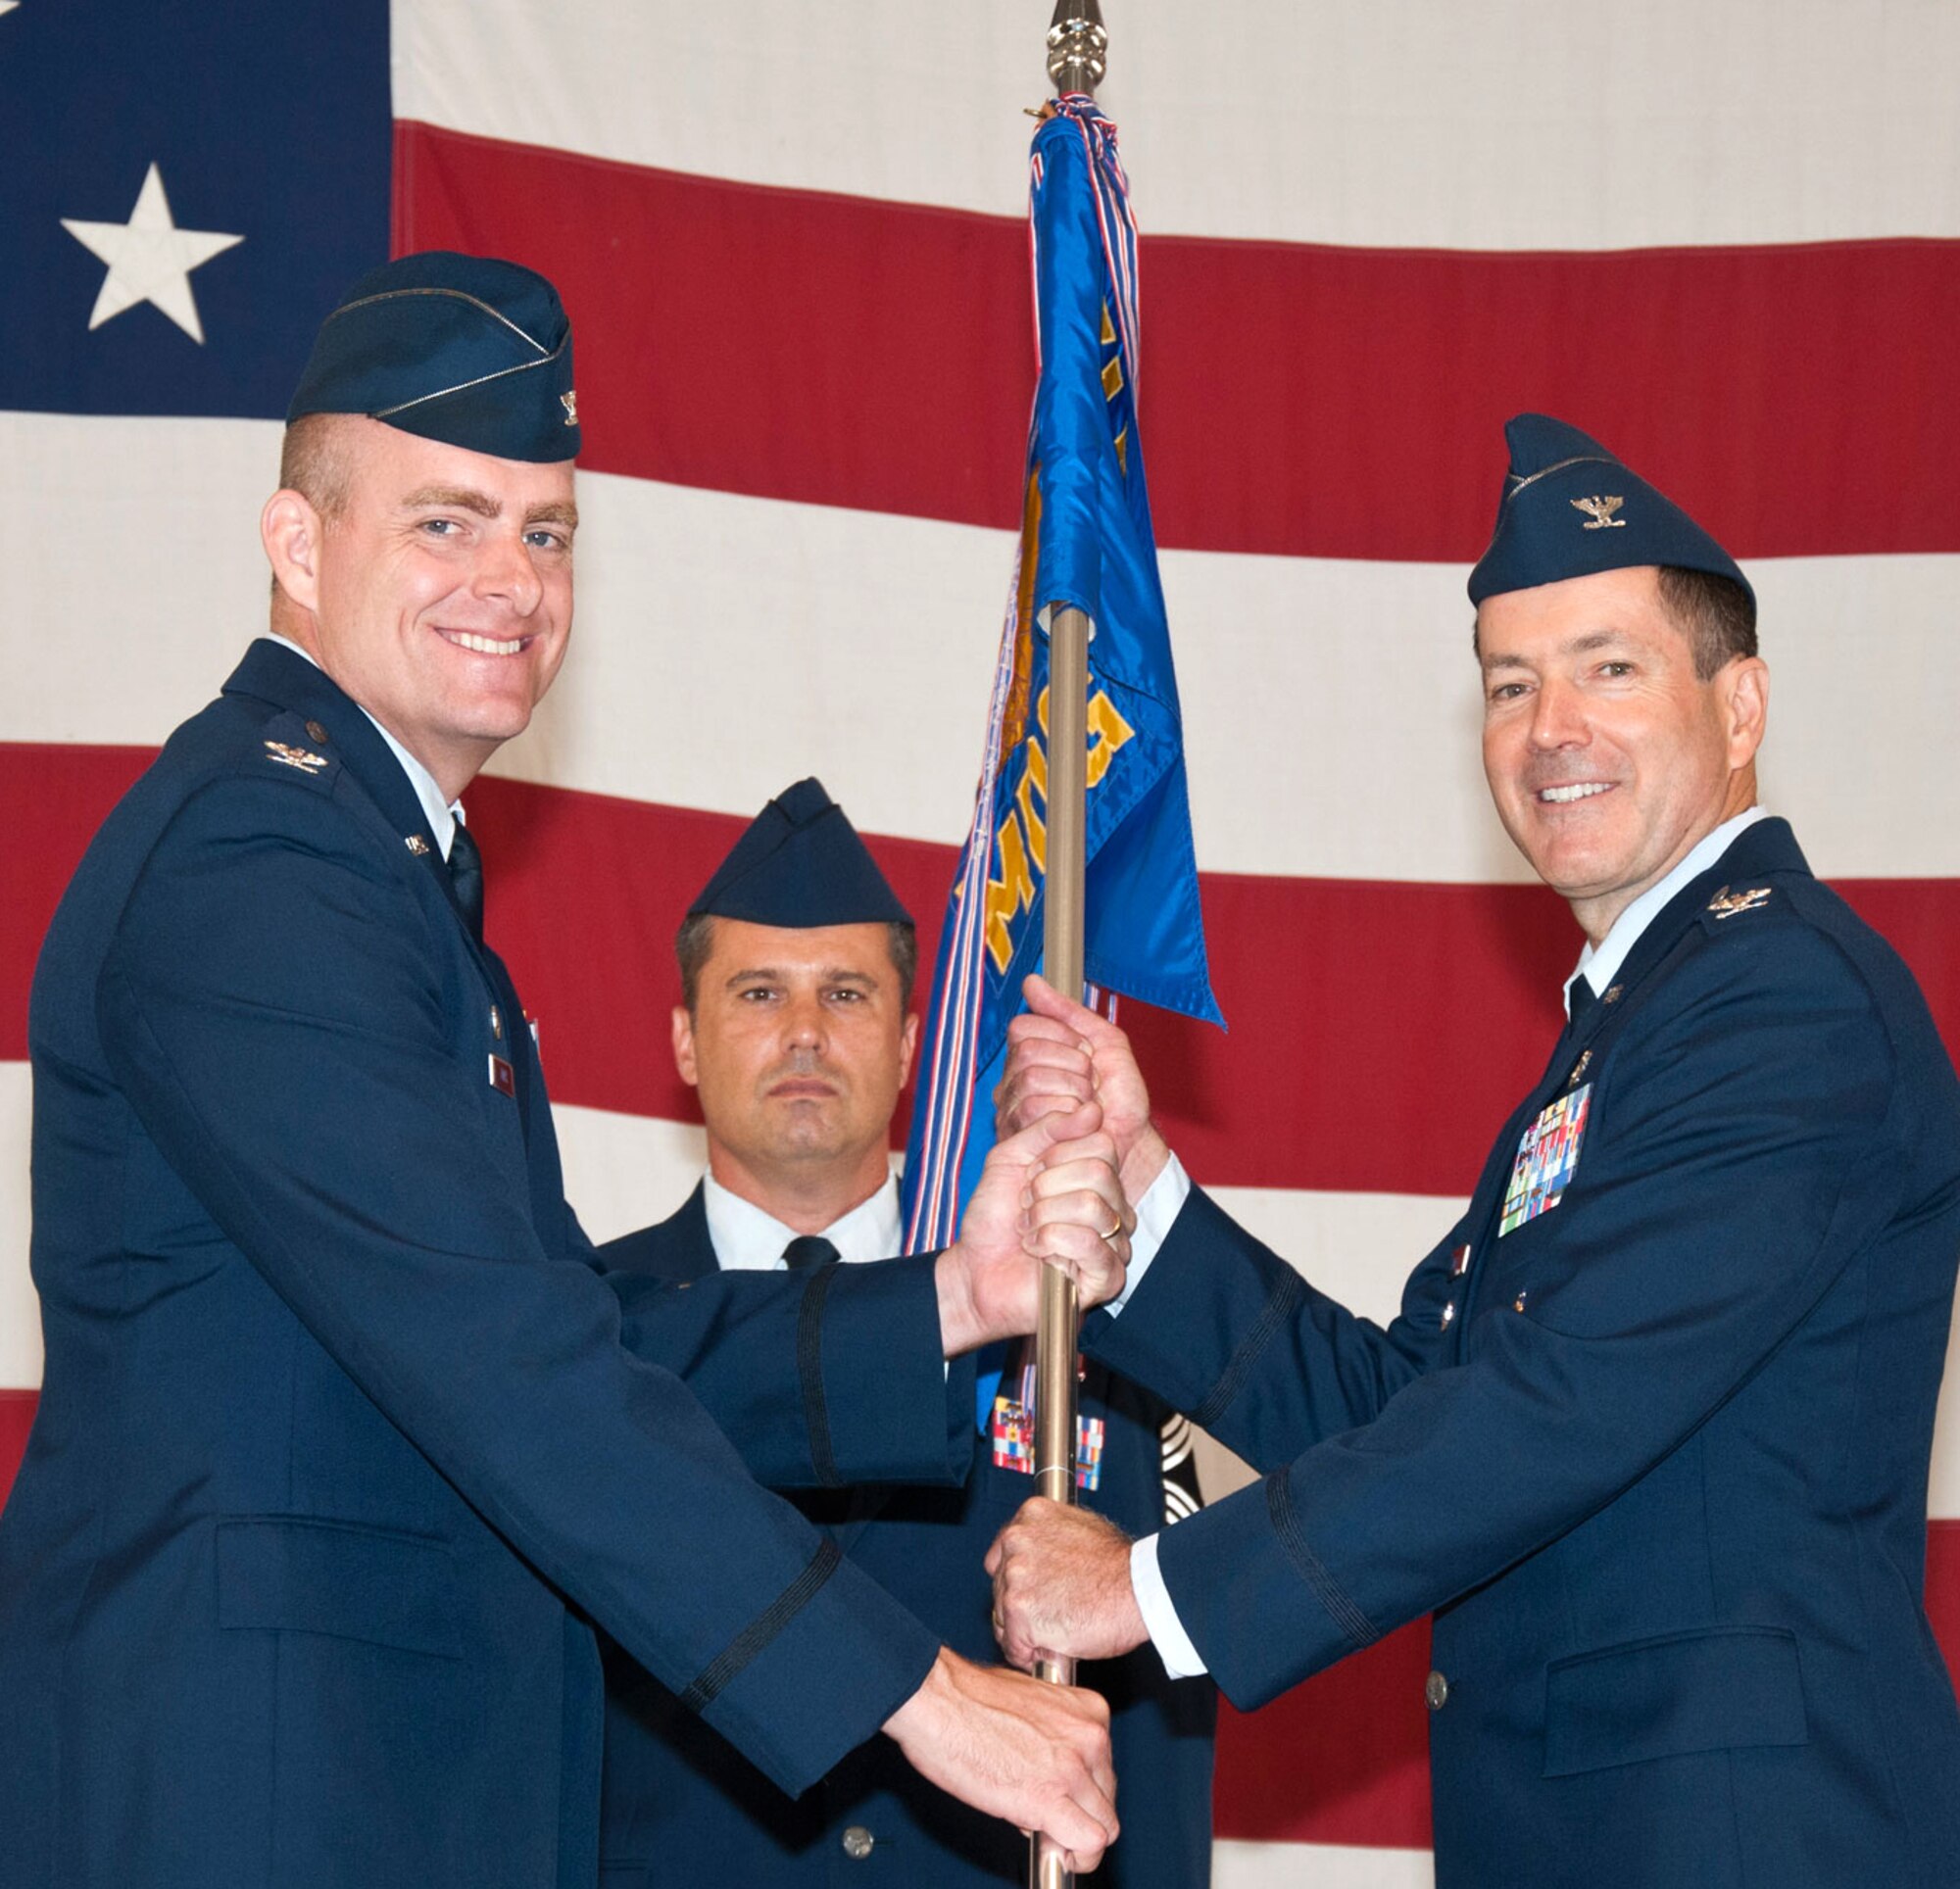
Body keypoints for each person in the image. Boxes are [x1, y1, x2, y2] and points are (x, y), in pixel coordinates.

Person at [0, 251, 1135, 1889]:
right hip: (258, 1792)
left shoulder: (377, 864)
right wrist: (917, 1686)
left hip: (365, 1785)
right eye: (446, 521)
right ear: (299, 545)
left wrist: (951, 1293)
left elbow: (575, 1337)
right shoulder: (261, 859)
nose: (511, 579)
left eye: (546, 530)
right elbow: (505, 1357)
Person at [988, 413, 1960, 1884]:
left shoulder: (1785, 1001)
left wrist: (1153, 1585)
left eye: (1609, 668)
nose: (1550, 727)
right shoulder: (1641, 1020)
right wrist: (1144, 1197)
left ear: (1741, 706)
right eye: (1512, 684)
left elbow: (1556, 1405)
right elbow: (1416, 1403)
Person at [594, 778, 1216, 1885]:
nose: (801, 1032)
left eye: (844, 992)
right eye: (754, 993)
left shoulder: (1066, 1337)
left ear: (909, 1041)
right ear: (684, 1039)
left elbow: (1158, 1726)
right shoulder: (578, 1330)